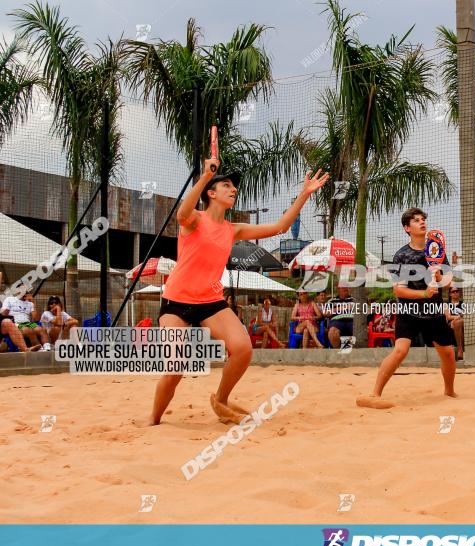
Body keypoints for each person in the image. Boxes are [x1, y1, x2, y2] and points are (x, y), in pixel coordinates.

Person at [147, 157, 328, 425]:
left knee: (242, 348)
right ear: (211, 193)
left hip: (210, 301)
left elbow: (279, 227)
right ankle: (154, 420)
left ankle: (220, 399)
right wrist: (207, 174)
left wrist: (304, 194)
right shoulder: (195, 219)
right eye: (227, 186)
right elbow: (181, 214)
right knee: (175, 367)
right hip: (176, 301)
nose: (233, 190)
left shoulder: (233, 230)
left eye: (234, 187)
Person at [358, 208, 457, 409]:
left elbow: (448, 282)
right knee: (400, 351)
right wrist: (423, 294)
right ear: (407, 228)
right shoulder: (402, 255)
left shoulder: (437, 250)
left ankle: (449, 391)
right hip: (409, 311)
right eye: (416, 220)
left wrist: (438, 278)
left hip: (433, 311)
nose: (422, 222)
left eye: (423, 219)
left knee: (448, 353)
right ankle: (375, 394)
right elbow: (399, 291)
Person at [445, 287, 465, 360]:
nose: (455, 293)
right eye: (453, 292)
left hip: (463, 323)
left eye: (457, 291)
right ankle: (460, 349)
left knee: (459, 322)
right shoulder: (446, 304)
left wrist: (459, 318)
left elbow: (467, 316)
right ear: (450, 294)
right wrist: (458, 317)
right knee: (458, 322)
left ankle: (460, 350)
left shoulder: (463, 304)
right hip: (451, 324)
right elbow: (448, 317)